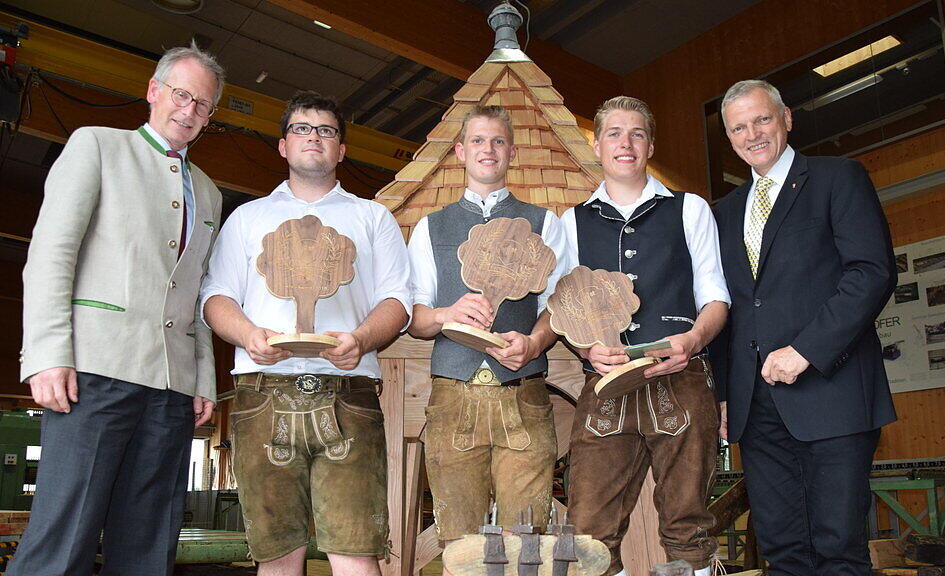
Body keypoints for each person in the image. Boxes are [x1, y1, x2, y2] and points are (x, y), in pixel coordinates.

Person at [12, 42, 225, 576]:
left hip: (172, 389)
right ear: (153, 92)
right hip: (94, 373)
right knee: (64, 538)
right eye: (182, 95)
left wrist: (204, 379)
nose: (190, 111)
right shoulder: (97, 146)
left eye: (203, 105)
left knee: (150, 545)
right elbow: (51, 254)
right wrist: (45, 354)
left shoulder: (209, 192)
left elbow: (198, 290)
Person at [200, 91, 411, 576]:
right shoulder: (247, 218)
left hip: (349, 390)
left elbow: (397, 301)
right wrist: (249, 333)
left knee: (357, 553)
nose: (314, 138)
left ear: (340, 150)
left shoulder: (372, 217)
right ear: (282, 146)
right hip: (262, 389)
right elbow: (216, 298)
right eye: (302, 129)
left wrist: (361, 339)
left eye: (326, 131)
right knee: (276, 557)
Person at [711, 79, 897, 576]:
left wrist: (806, 350)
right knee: (782, 549)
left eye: (762, 119)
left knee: (839, 547)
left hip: (830, 392)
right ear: (729, 139)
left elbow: (871, 273)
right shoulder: (723, 213)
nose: (752, 134)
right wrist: (726, 394)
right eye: (738, 128)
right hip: (756, 407)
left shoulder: (840, 178)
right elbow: (724, 306)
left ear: (787, 118)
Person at [560, 96, 730, 576]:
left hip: (681, 378)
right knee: (588, 534)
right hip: (607, 385)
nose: (625, 143)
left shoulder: (689, 209)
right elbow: (565, 308)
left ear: (650, 144)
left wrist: (693, 341)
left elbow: (716, 298)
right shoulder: (570, 222)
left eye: (636, 133)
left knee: (688, 527)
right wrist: (584, 348)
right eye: (614, 133)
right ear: (597, 145)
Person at [406, 104, 572, 547]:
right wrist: (446, 315)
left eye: (498, 141)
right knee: (459, 545)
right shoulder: (429, 228)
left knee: (527, 540)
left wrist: (536, 341)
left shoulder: (545, 223)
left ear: (512, 153)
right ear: (460, 151)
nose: (488, 149)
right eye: (478, 140)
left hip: (524, 395)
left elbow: (562, 305)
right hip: (452, 397)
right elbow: (414, 320)